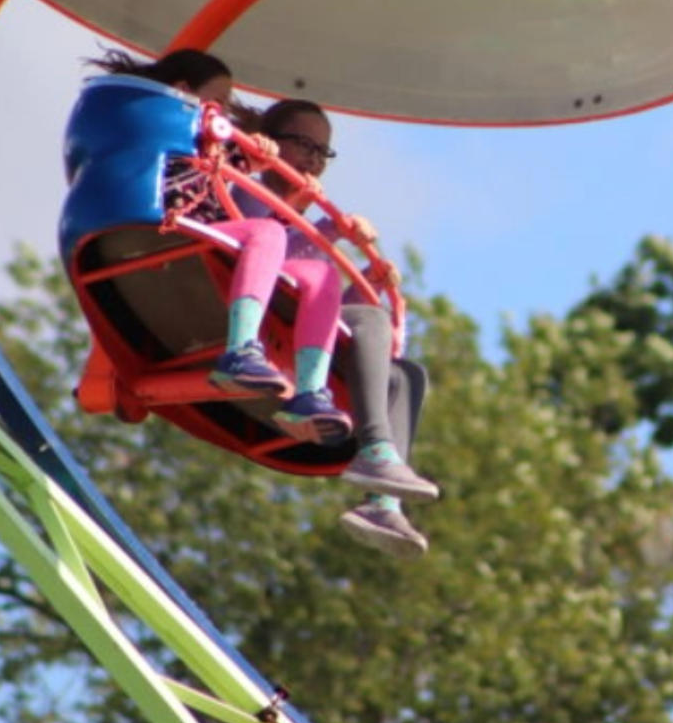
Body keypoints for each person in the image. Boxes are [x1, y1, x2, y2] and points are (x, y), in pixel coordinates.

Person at [80, 49, 351, 445]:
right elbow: (203, 184)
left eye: (321, 153)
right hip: (170, 225)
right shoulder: (181, 137)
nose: (224, 115)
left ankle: (311, 392)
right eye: (219, 103)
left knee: (322, 272)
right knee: (268, 234)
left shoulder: (213, 148)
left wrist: (328, 230)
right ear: (185, 93)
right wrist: (248, 158)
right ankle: (241, 349)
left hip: (205, 233)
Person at [239, 98, 440, 558]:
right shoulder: (252, 190)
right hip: (257, 310)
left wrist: (363, 283)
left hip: (293, 320)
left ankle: (382, 502)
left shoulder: (299, 217)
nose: (312, 159)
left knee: (406, 374)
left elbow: (317, 295)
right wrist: (328, 230)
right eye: (302, 145)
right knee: (369, 318)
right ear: (273, 142)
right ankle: (376, 449)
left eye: (322, 151)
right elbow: (266, 252)